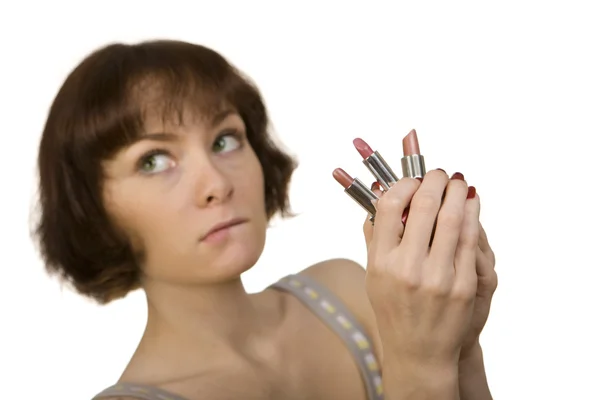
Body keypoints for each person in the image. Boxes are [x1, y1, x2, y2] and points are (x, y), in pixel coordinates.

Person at [34, 39, 498, 400]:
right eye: (154, 160)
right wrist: (418, 365)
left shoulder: (346, 293)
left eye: (225, 140)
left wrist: (460, 347)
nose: (216, 182)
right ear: (91, 208)